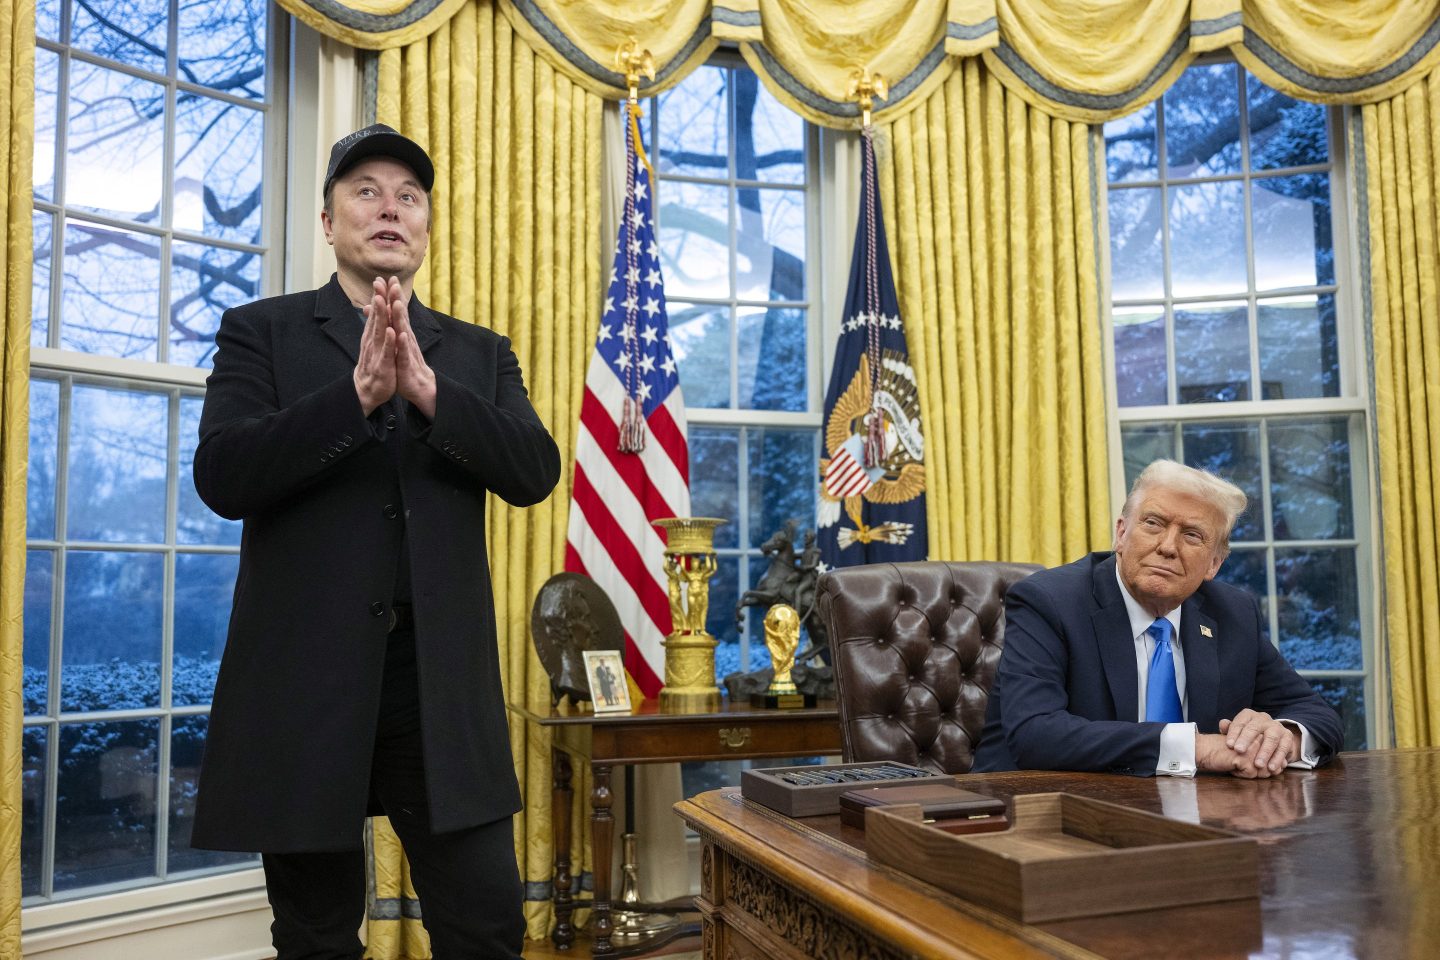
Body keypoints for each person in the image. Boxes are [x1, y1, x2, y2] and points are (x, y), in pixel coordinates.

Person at [189, 124, 561, 959]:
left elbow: (534, 470)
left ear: (425, 226)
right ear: (328, 222)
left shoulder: (479, 352)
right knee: (316, 937)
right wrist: (353, 399)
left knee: (486, 924)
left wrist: (431, 394)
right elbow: (222, 476)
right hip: (304, 682)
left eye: (409, 195)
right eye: (366, 190)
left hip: (438, 684)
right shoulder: (261, 332)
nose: (390, 207)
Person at [973, 460, 1343, 779]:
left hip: (1192, 820)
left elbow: (1317, 714)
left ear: (1214, 563)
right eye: (1153, 523)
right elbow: (1036, 734)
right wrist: (1196, 748)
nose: (1167, 546)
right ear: (1121, 533)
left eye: (1192, 535)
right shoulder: (1050, 602)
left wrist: (1281, 739)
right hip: (1037, 817)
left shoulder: (1232, 613)